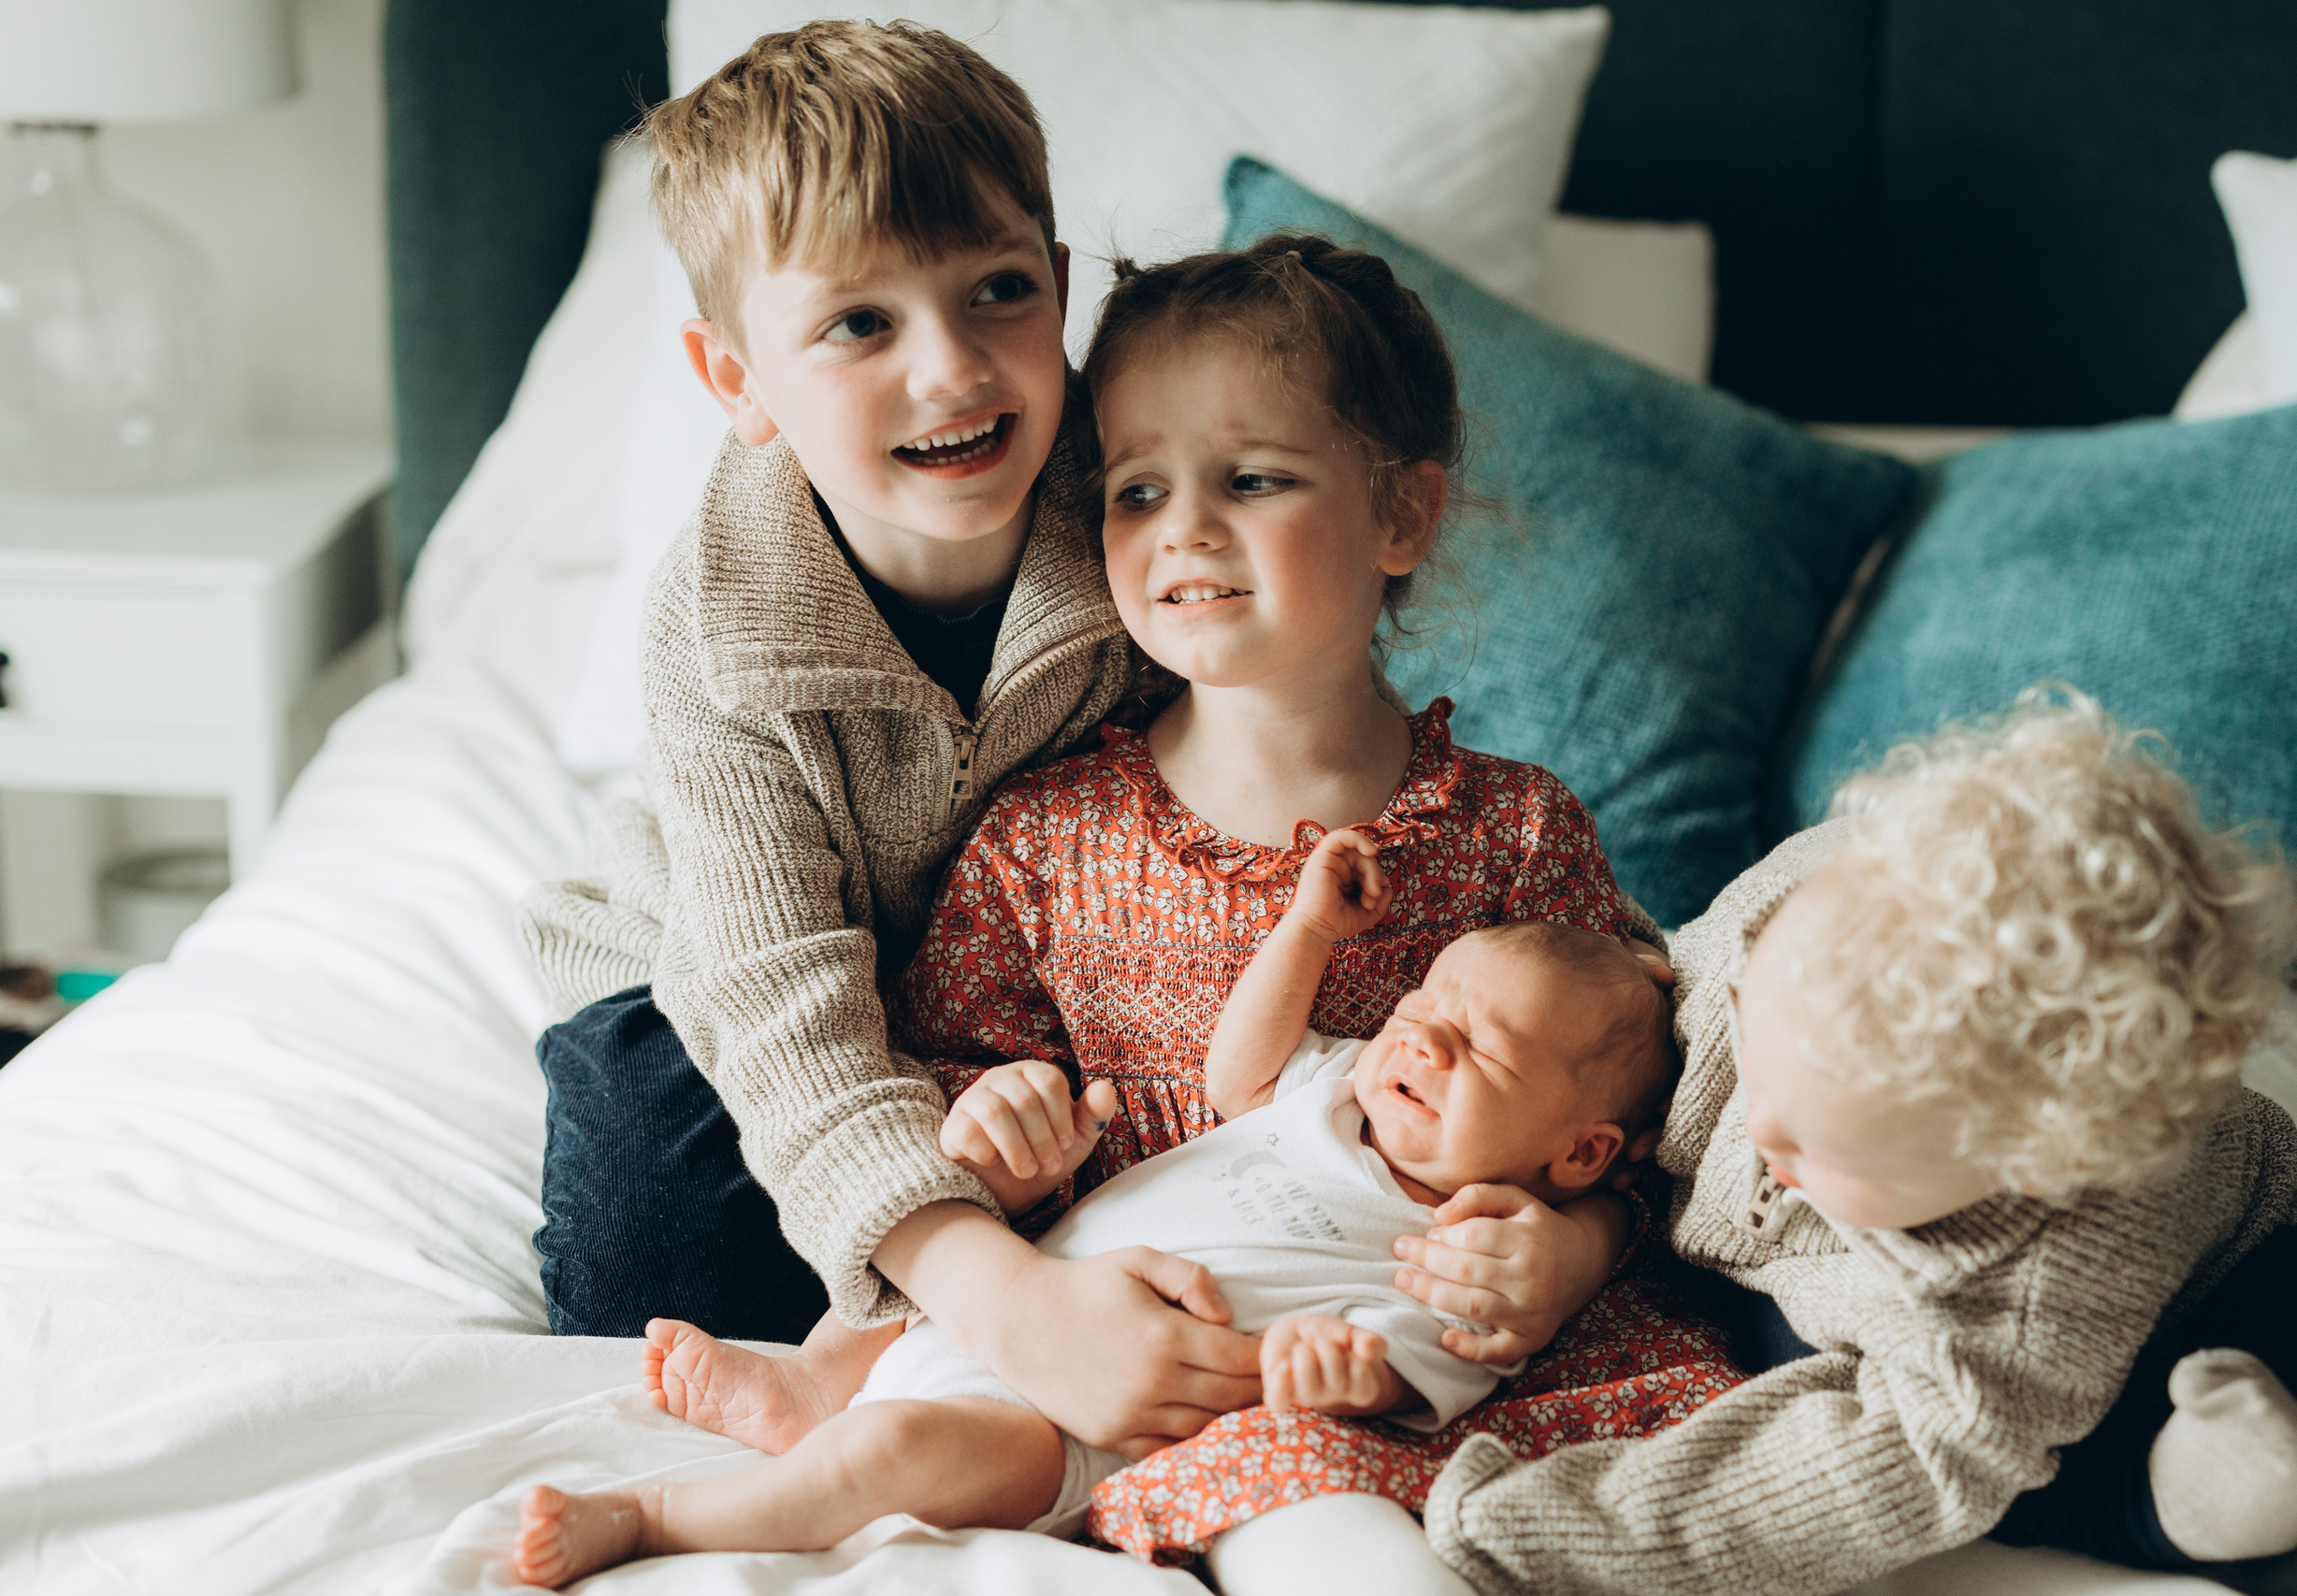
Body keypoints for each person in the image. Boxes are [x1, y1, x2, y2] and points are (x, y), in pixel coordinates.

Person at [613, 237, 1741, 1574]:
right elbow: (944, 1071)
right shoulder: (1047, 831)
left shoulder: (1514, 827)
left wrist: (1571, 1245)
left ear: (1401, 515)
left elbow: (1635, 1098)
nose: (1185, 529)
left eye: (1252, 479)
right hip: (1110, 1334)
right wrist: (997, 1129)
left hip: (1385, 1346)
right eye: (1137, 488)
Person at [516, 22, 1272, 1454]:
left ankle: (949, 1258)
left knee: (1217, 1151)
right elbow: (778, 993)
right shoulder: (718, 617)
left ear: (1060, 291)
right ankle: (919, 1313)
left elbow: (1228, 790)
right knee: (651, 1257)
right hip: (722, 970)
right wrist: (1010, 1302)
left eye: (996, 290)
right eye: (860, 323)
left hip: (1023, 998)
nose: (952, 370)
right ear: (735, 378)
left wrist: (1025, 1098)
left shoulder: (1134, 515)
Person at [510, 829, 1687, 1585]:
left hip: (1068, 1429)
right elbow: (1242, 1064)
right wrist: (1310, 929)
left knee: (899, 1448)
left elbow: (1417, 1365)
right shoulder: (1338, 1091)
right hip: (1019, 1288)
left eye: (1479, 1047)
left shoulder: (1471, 1256)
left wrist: (1344, 1372)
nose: (1422, 1033)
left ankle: (665, 1520)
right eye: (1427, 1000)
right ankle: (811, 1383)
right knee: (935, 1207)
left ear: (1579, 1153)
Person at [1423, 690, 2297, 1594]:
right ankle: (2202, 1490)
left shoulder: (2007, 1306)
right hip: (1850, 1279)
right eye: (1761, 1063)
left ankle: (2170, 1504)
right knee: (1769, 1330)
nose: (1758, 1142)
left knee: (2293, 1374)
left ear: (2018, 1162)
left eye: (1823, 1150)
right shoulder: (1812, 909)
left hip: (2212, 1269)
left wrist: (1532, 1532)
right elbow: (1646, 986)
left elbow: (1841, 1475)